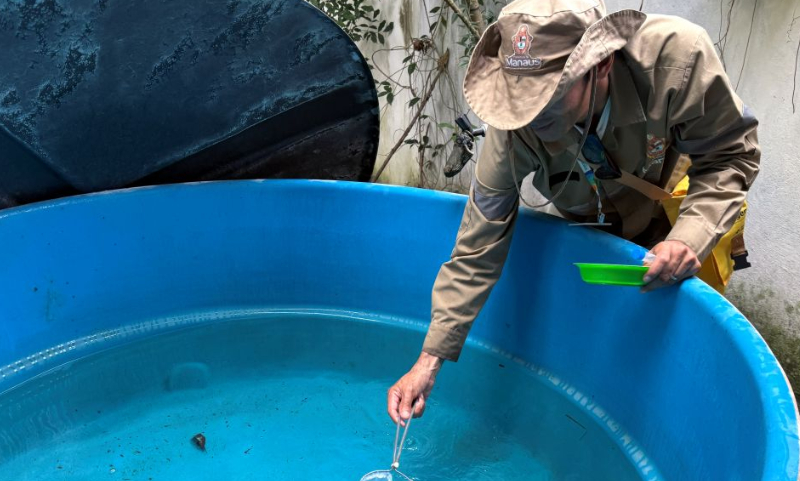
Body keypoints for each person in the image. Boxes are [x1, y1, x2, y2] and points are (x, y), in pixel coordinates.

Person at [387, 0, 760, 425]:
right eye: (518, 99)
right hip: (594, 215)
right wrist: (428, 362)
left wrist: (688, 237)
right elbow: (478, 243)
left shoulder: (677, 57)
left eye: (548, 97)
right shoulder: (515, 128)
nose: (527, 117)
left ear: (600, 65)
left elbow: (730, 156)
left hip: (679, 207)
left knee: (684, 354)